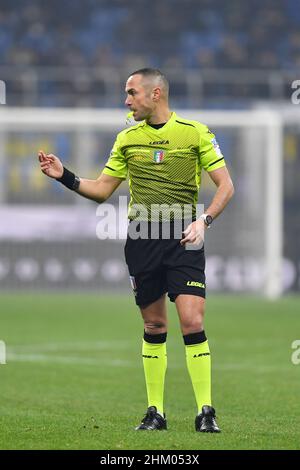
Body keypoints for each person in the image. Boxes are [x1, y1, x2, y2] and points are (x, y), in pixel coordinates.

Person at [38, 68, 234, 433]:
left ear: (155, 93)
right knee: (154, 324)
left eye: (131, 93)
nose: (126, 101)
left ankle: (206, 411)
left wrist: (203, 221)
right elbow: (101, 189)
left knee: (192, 321)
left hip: (184, 237)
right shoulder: (127, 138)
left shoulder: (195, 133)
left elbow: (226, 186)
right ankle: (155, 412)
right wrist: (65, 175)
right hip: (142, 238)